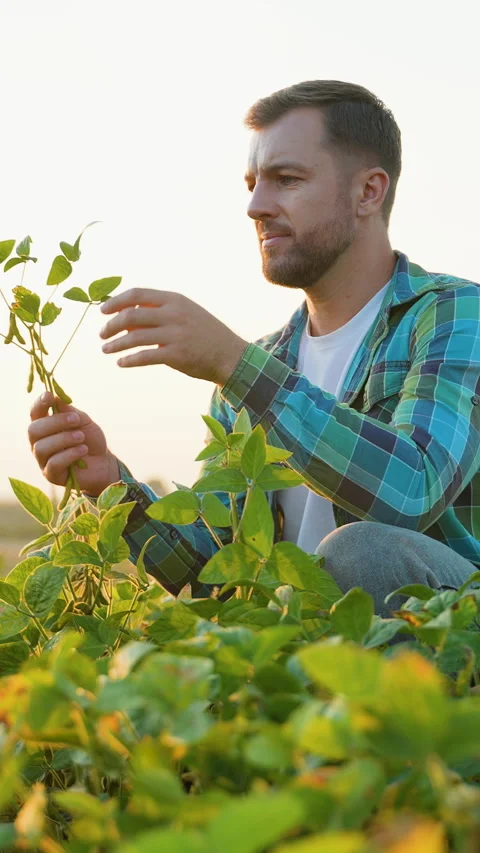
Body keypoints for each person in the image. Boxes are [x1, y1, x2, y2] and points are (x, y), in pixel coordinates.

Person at [28, 80, 480, 617]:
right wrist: (112, 484)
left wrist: (235, 365)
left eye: (286, 180)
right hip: (302, 652)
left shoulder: (453, 314)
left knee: (364, 551)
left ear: (369, 192)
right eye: (253, 183)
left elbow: (411, 491)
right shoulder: (267, 364)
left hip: (451, 637)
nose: (255, 206)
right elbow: (215, 575)